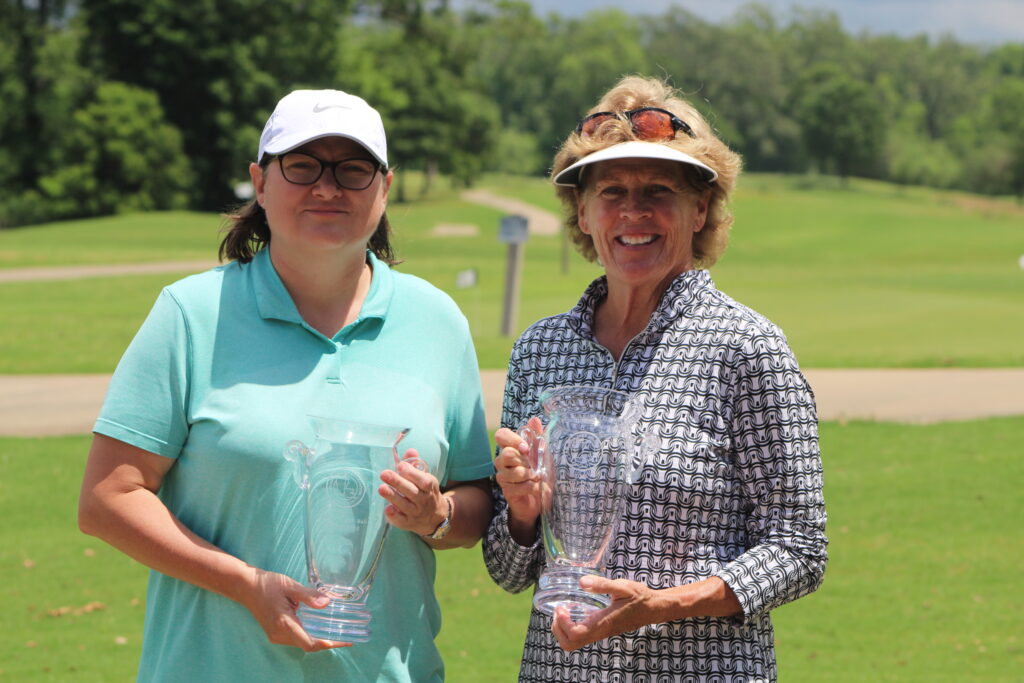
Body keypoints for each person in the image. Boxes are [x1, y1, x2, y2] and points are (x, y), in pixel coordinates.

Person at [78, 89, 493, 682]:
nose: (327, 188)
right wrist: (246, 586)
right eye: (302, 166)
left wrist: (436, 514)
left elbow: (475, 502)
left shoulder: (438, 321)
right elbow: (107, 499)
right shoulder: (191, 313)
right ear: (261, 182)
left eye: (353, 169)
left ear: (385, 187)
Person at [483, 76, 828, 681]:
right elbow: (509, 571)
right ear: (583, 214)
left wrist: (660, 607)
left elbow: (800, 549)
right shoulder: (539, 349)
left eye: (658, 191)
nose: (633, 212)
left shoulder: (747, 347)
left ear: (701, 209)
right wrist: (520, 514)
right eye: (611, 190)